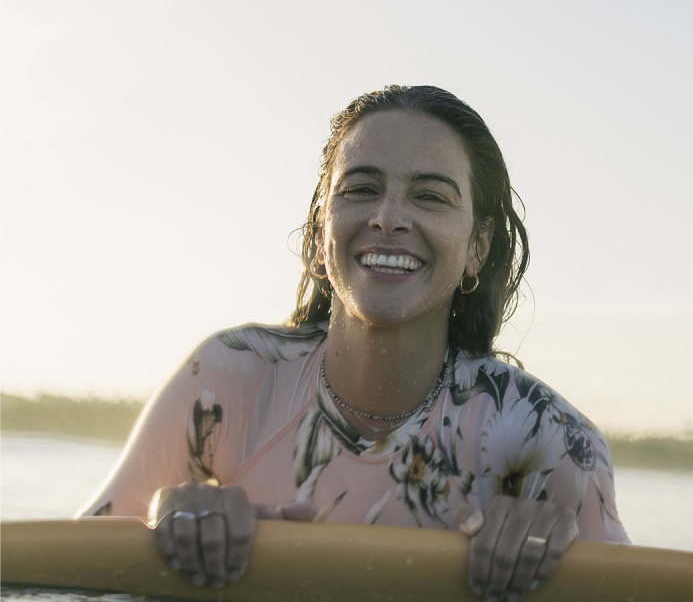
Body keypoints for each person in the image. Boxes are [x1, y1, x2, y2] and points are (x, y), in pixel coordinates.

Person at [79, 85, 629, 602]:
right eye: (361, 189)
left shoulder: (548, 442)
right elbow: (59, 580)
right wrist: (163, 528)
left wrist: (561, 569)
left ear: (476, 249)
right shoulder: (230, 382)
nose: (388, 218)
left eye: (430, 197)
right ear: (322, 233)